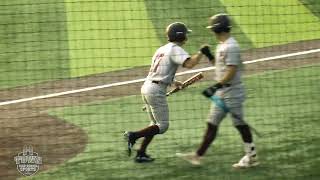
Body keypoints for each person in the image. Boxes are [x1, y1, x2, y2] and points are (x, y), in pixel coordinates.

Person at [177, 14, 259, 168]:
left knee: (239, 124)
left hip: (233, 92)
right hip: (222, 92)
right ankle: (197, 156)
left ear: (216, 29)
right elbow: (220, 66)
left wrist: (215, 86)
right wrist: (209, 55)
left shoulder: (231, 46)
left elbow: (232, 71)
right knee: (211, 123)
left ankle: (251, 155)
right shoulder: (222, 45)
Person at [124, 22, 207, 163]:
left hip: (146, 87)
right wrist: (201, 53)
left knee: (154, 123)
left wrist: (174, 82)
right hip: (155, 90)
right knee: (162, 126)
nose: (187, 36)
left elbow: (162, 69)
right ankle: (134, 135)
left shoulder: (162, 49)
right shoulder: (175, 49)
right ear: (181, 36)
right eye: (185, 34)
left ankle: (141, 153)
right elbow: (189, 64)